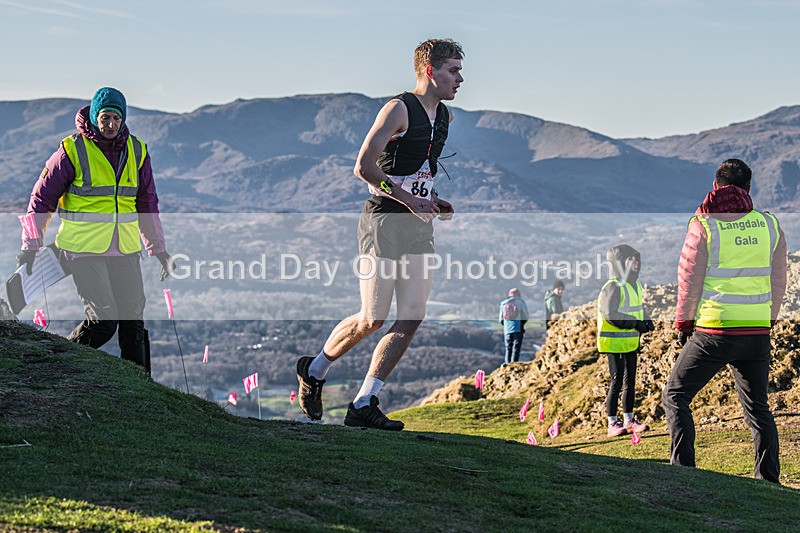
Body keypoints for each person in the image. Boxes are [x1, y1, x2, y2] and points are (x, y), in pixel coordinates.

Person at [295, 39, 464, 430]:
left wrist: (432, 199)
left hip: (418, 225)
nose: (460, 79)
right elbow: (364, 168)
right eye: (453, 71)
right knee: (372, 318)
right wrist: (407, 199)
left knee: (412, 316)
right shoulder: (398, 109)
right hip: (384, 220)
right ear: (429, 71)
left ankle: (364, 402)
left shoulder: (446, 118)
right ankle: (314, 369)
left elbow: (415, 170)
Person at [16, 87, 170, 376]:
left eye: (115, 118)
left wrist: (158, 248)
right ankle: (58, 363)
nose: (110, 124)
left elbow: (147, 202)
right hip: (83, 249)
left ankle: (139, 387)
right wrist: (31, 244)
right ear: (95, 116)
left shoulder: (137, 150)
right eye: (105, 117)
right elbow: (41, 200)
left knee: (133, 323)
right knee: (103, 322)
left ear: (123, 119)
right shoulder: (72, 149)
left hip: (124, 249)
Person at [662, 159, 786, 483]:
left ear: (716, 186)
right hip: (757, 332)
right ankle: (768, 479)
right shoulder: (769, 224)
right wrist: (767, 319)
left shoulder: (704, 224)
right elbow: (779, 278)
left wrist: (683, 324)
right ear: (747, 189)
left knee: (676, 395)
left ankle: (684, 473)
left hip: (715, 331)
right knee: (758, 408)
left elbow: (688, 279)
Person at [597, 244, 654, 438]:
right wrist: (636, 324)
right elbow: (610, 314)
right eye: (631, 260)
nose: (636, 263)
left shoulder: (634, 285)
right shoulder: (613, 286)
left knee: (630, 382)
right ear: (620, 263)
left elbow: (636, 307)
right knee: (616, 382)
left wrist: (646, 320)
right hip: (614, 343)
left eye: (637, 260)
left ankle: (629, 420)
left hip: (630, 342)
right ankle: (612, 423)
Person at [499, 288, 528, 364]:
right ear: (518, 295)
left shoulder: (503, 304)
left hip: (507, 330)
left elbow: (501, 320)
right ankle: (513, 365)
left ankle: (507, 365)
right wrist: (522, 324)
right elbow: (526, 316)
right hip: (518, 329)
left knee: (508, 348)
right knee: (516, 348)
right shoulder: (520, 303)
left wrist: (506, 325)